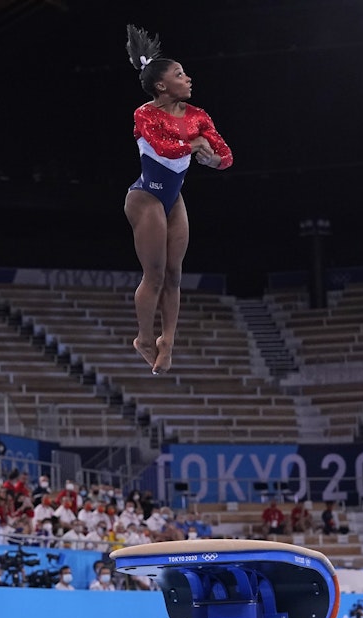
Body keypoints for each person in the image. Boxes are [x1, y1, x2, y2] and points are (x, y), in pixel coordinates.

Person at [123, 24, 233, 375]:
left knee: (174, 274)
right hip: (144, 198)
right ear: (161, 85)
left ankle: (166, 341)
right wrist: (194, 146)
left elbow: (225, 154)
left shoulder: (199, 116)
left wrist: (215, 159)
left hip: (173, 199)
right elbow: (163, 148)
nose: (188, 78)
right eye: (179, 74)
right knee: (154, 274)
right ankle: (144, 337)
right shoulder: (145, 114)